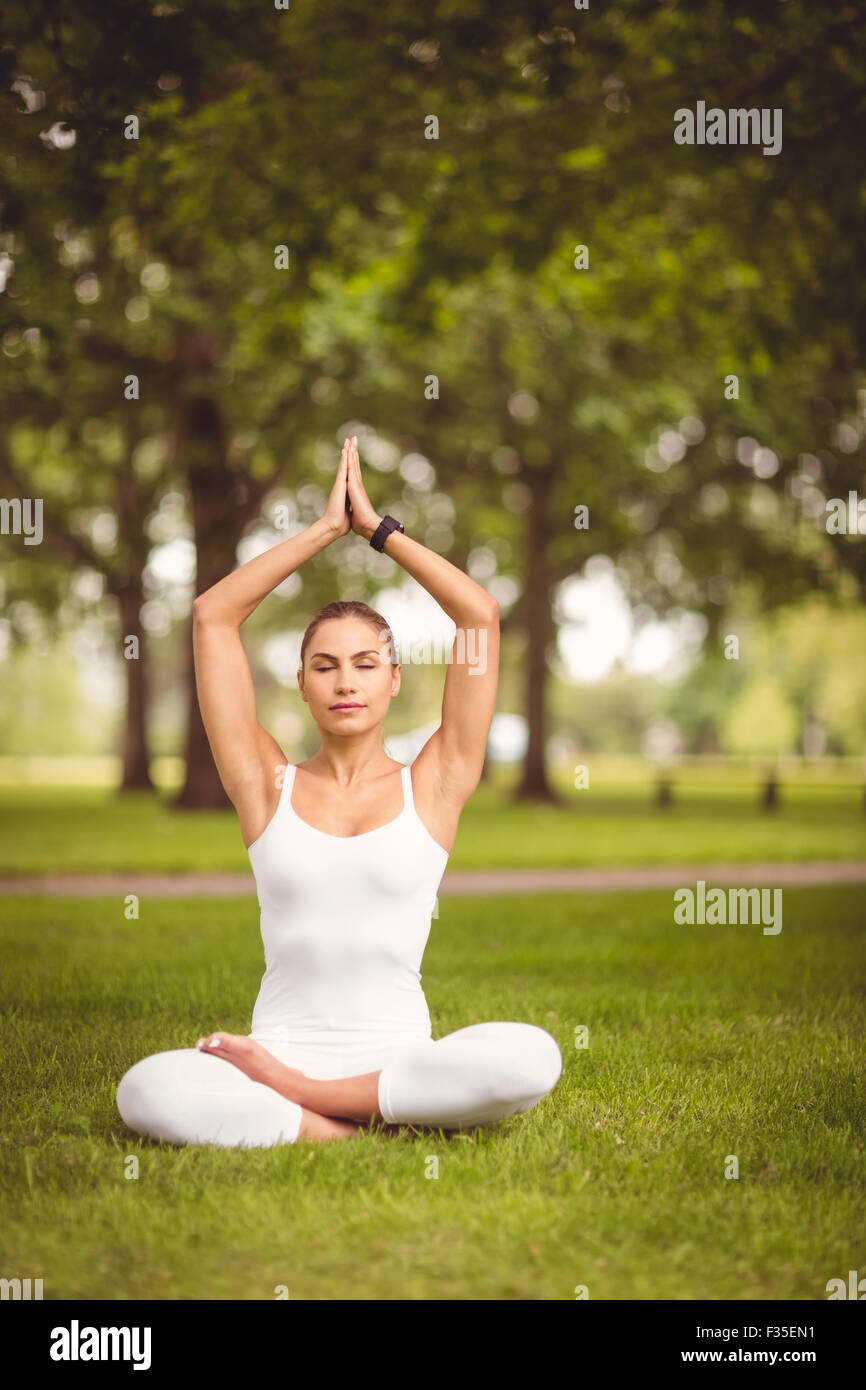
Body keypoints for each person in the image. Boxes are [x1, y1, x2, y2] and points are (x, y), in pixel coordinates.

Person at [116, 436, 562, 1145]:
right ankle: (359, 1131)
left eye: (364, 663)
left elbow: (478, 615)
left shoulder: (437, 784)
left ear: (394, 679)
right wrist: (324, 531)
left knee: (535, 1055)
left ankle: (308, 1105)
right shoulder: (265, 786)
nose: (345, 681)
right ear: (302, 684)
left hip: (397, 1059)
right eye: (324, 666)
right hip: (280, 1045)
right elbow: (212, 616)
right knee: (144, 1090)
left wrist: (378, 531)